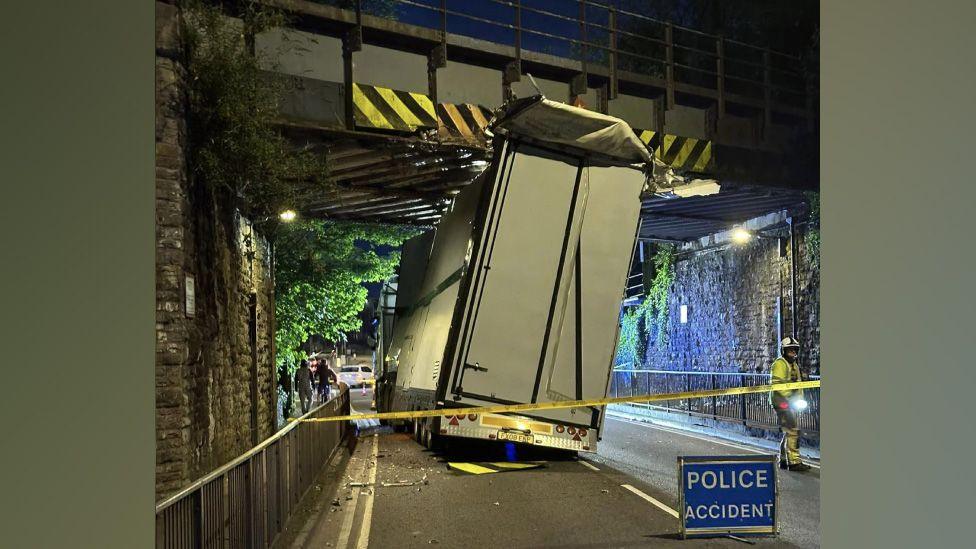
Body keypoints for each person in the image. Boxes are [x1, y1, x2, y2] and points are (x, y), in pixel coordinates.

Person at [769, 337, 811, 472]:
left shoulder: (794, 366)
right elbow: (777, 386)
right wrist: (791, 397)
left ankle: (782, 459)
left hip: (790, 402)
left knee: (788, 430)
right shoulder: (779, 364)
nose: (793, 353)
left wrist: (799, 399)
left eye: (794, 351)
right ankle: (794, 462)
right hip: (781, 402)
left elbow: (798, 385)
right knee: (793, 430)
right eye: (790, 351)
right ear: (784, 351)